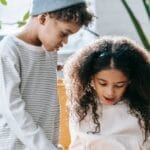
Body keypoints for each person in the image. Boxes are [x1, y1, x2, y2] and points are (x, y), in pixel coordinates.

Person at [0, 0, 93, 149]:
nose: (65, 41)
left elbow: (50, 103)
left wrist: (53, 144)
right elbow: (12, 111)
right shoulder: (9, 51)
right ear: (43, 18)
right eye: (64, 33)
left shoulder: (50, 52)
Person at [63, 36, 150, 150]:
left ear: (130, 81)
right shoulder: (82, 106)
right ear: (91, 77)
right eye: (103, 83)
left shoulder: (143, 107)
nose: (110, 93)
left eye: (119, 85)